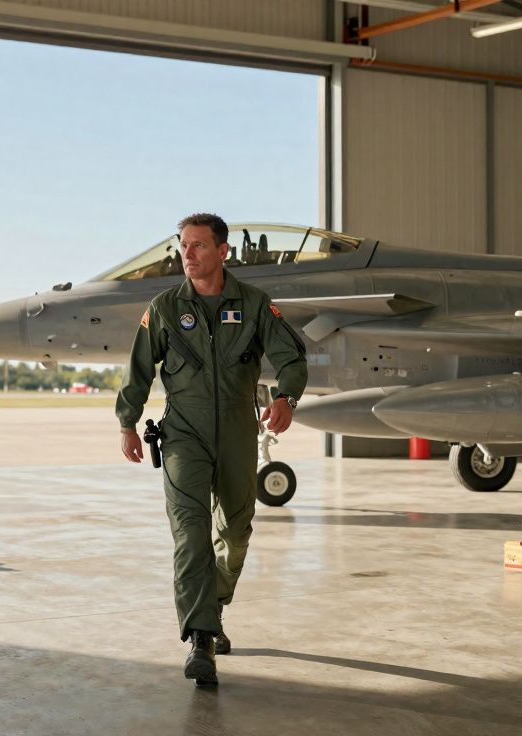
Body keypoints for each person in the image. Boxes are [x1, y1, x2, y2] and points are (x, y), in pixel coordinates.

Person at [115, 213, 308, 688]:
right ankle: (200, 638)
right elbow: (138, 369)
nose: (188, 253)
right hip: (184, 432)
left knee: (237, 528)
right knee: (191, 531)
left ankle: (213, 607)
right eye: (183, 245)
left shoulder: (256, 304)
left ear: (223, 251)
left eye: (199, 246)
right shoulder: (164, 308)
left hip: (239, 432)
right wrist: (127, 423)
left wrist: (286, 397)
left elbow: (291, 356)